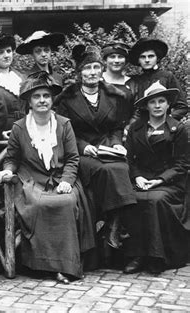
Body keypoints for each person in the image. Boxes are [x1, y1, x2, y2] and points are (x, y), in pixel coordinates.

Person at [0, 72, 94, 283]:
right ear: (29, 102)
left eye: (46, 96)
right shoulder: (20, 127)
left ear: (52, 100)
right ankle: (46, 266)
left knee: (66, 201)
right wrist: (8, 171)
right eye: (37, 96)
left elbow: (72, 158)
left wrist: (67, 181)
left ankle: (67, 266)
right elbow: (12, 158)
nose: (42, 100)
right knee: (39, 204)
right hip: (31, 180)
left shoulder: (64, 124)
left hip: (61, 178)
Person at [54, 45, 137, 250]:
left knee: (122, 167)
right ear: (79, 73)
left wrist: (117, 144)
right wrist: (83, 147)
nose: (92, 73)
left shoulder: (114, 96)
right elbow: (66, 130)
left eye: (95, 67)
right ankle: (113, 224)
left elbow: (117, 127)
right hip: (80, 152)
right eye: (87, 68)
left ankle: (113, 225)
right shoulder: (66, 99)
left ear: (101, 70)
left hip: (107, 148)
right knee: (105, 169)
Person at [122, 81, 189, 274]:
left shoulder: (178, 129)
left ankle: (157, 256)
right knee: (131, 199)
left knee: (154, 200)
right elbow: (129, 159)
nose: (158, 105)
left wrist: (160, 180)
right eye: (153, 102)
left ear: (169, 105)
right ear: (146, 105)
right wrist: (137, 177)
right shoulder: (136, 128)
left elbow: (182, 164)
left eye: (162, 101)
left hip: (170, 183)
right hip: (143, 181)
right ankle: (137, 254)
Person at [127, 38, 188, 121]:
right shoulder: (134, 81)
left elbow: (182, 107)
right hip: (139, 128)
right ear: (138, 60)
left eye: (151, 56)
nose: (147, 60)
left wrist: (166, 121)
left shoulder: (166, 76)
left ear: (157, 58)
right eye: (143, 57)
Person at [0, 33, 26, 137]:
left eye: (9, 51)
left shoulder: (22, 77)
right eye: (0, 52)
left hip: (25, 132)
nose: (6, 56)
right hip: (1, 134)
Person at [101, 41, 135, 138]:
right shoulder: (97, 81)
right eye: (112, 57)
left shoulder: (132, 83)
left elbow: (137, 111)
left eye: (120, 57)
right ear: (105, 60)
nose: (116, 61)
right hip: (98, 134)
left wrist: (129, 128)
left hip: (126, 134)